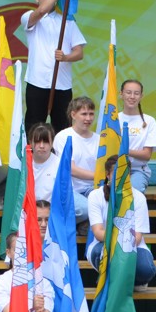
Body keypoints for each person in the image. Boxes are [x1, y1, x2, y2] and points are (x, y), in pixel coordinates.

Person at [21, 0, 86, 135]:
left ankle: (59, 159)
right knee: (35, 126)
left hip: (62, 84)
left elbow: (79, 52)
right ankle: (33, 159)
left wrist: (66, 58)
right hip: (38, 82)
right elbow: (42, 10)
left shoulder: (67, 21)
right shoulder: (29, 17)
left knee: (63, 127)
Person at [86, 155, 156, 290]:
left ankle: (130, 280)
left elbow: (137, 237)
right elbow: (98, 232)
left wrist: (122, 244)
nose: (121, 177)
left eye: (125, 173)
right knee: (107, 258)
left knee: (146, 269)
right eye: (116, 173)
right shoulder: (95, 196)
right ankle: (112, 280)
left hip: (132, 246)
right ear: (108, 175)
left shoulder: (139, 198)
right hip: (103, 244)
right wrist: (118, 241)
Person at [52, 96, 98, 227]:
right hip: (69, 189)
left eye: (91, 114)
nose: (88, 118)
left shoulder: (100, 139)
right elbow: (70, 169)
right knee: (88, 210)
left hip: (93, 189)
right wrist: (97, 175)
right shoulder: (63, 136)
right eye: (83, 114)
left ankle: (82, 224)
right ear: (73, 114)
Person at [119, 80, 156, 193]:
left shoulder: (149, 121)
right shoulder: (113, 119)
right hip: (115, 169)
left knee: (133, 192)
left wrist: (124, 150)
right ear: (121, 94)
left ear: (141, 96)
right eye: (128, 92)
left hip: (138, 170)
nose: (132, 96)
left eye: (136, 93)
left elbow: (146, 155)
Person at [30, 124, 59, 202]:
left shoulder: (60, 164)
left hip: (52, 210)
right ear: (30, 142)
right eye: (37, 141)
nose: (42, 146)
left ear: (52, 143)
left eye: (46, 142)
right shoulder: (22, 164)